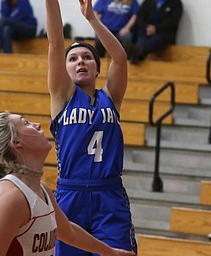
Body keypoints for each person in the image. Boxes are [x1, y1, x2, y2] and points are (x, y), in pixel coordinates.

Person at [45, 0, 137, 255]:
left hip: (109, 195)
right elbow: (54, 44)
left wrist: (92, 20)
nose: (80, 62)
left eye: (87, 57)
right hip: (70, 195)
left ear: (97, 69)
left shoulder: (111, 97)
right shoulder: (62, 97)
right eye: (73, 59)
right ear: (65, 69)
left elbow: (119, 57)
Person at [0, 111, 135, 256]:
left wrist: (109, 252)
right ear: (16, 142)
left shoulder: (41, 189)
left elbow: (69, 233)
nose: (37, 125)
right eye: (26, 123)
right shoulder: (11, 198)